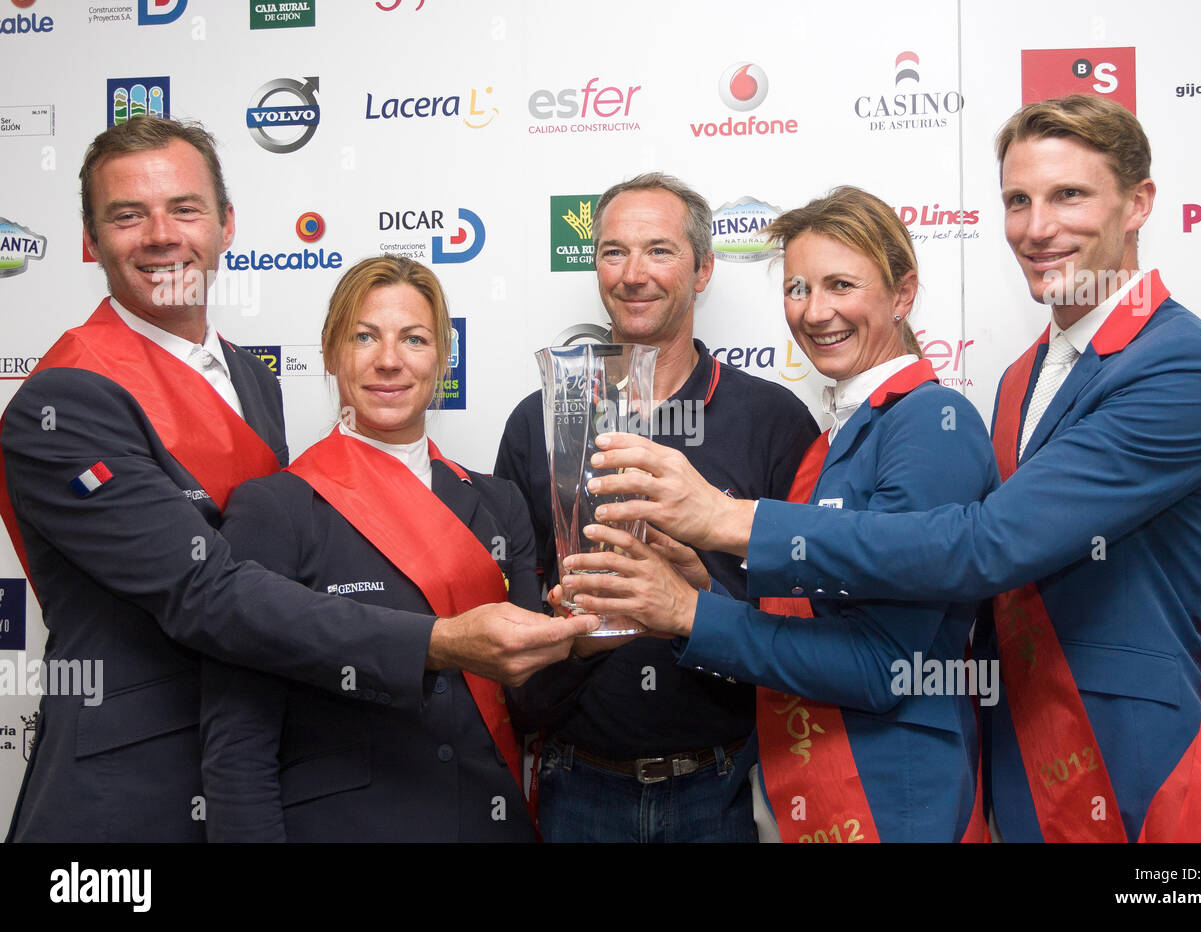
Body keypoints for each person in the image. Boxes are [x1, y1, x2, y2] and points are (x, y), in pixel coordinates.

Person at [581, 96, 1201, 843]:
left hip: (1138, 776)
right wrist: (703, 582)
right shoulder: (1021, 378)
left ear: (1139, 205)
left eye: (1070, 195)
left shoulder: (1186, 368)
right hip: (1019, 767)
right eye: (1017, 201)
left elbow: (980, 549)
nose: (1037, 227)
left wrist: (724, 526)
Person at [0, 117, 592, 842]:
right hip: (136, 786)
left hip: (273, 759)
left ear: (225, 226)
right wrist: (434, 642)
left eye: (185, 209)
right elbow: (205, 592)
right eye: (127, 215)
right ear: (91, 242)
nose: (161, 235)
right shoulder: (65, 400)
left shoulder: (251, 380)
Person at [562, 187, 1000, 842]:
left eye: (841, 285)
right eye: (798, 288)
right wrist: (702, 584)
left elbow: (885, 667)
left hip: (897, 800)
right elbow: (814, 615)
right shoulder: (839, 436)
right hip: (814, 783)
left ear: (903, 294)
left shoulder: (932, 424)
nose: (816, 312)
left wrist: (684, 610)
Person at [495, 172, 820, 842]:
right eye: (613, 252)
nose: (633, 274)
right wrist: (570, 632)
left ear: (703, 269)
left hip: (723, 787)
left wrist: (697, 590)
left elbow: (806, 621)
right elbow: (510, 615)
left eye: (659, 251)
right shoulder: (542, 420)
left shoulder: (773, 420)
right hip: (577, 784)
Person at [200, 256, 539, 841]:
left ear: (443, 359)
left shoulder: (499, 504)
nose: (389, 360)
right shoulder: (275, 508)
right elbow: (238, 740)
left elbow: (533, 702)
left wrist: (594, 630)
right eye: (364, 337)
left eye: (414, 338)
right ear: (331, 354)